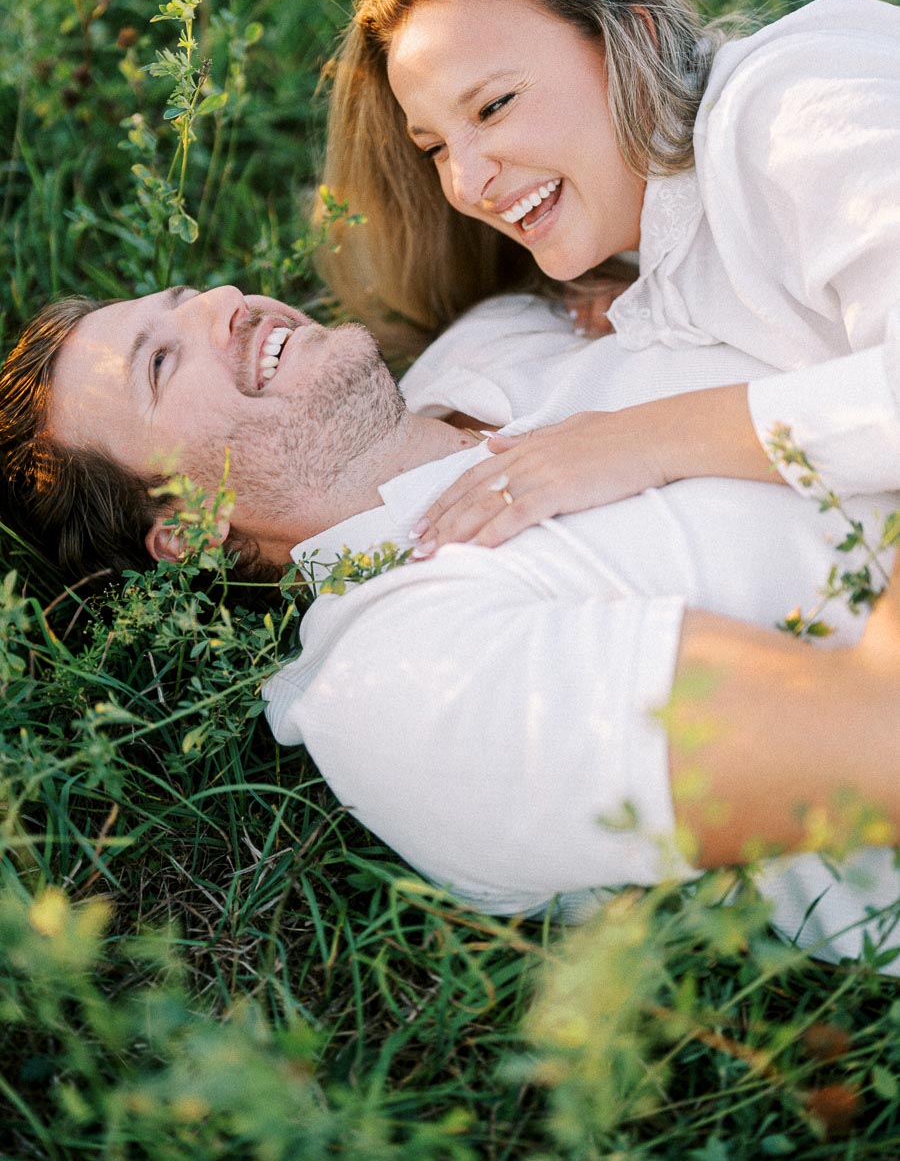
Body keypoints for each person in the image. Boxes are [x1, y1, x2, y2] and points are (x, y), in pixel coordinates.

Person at [1, 283, 897, 968]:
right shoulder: (403, 683)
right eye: (162, 363)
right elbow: (880, 744)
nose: (228, 306)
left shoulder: (491, 338)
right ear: (190, 527)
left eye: (191, 296)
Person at [321, 0, 900, 554]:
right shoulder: (654, 250)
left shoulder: (790, 114)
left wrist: (636, 441)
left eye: (494, 106)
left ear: (634, 34)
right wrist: (645, 293)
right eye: (436, 147)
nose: (467, 181)